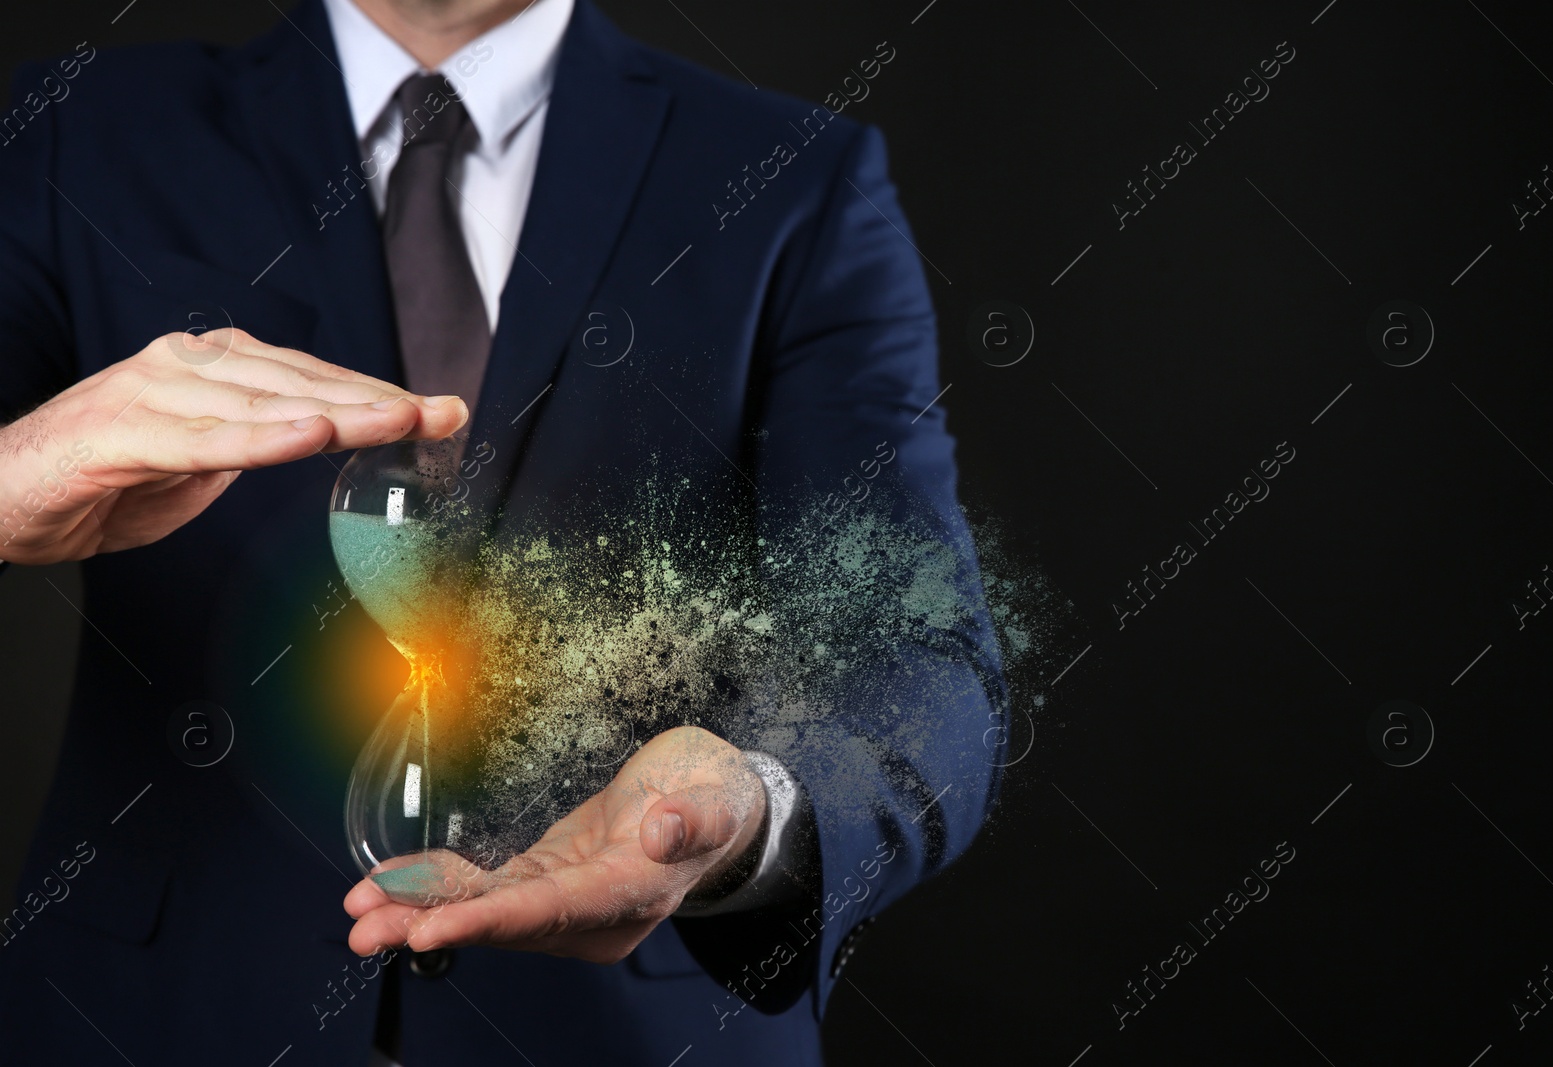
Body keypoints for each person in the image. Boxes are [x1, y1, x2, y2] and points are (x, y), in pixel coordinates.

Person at [0, 1, 1006, 1063]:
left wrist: (750, 805)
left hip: (625, 1030)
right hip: (163, 1010)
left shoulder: (793, 174)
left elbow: (911, 646)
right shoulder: (85, 123)